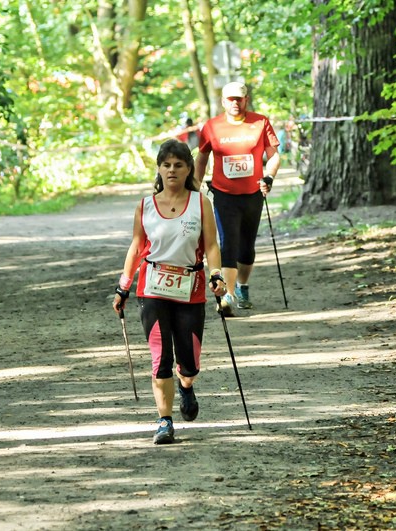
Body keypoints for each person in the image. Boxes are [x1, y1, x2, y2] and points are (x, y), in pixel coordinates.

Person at [113, 139, 227, 445]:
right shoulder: (145, 205)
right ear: (159, 169)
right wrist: (123, 287)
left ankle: (186, 384)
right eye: (166, 165)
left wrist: (217, 274)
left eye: (178, 165)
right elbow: (137, 247)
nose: (172, 170)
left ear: (189, 168)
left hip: (190, 289)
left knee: (189, 363)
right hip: (151, 288)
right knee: (159, 358)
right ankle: (164, 421)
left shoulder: (200, 202)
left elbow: (212, 245)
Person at [194, 81, 280, 316]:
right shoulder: (212, 127)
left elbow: (273, 156)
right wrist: (194, 184)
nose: (234, 103)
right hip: (223, 194)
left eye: (238, 99)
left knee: (247, 248)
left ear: (246, 100)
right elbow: (201, 158)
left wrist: (269, 177)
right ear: (223, 101)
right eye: (230, 99)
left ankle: (242, 286)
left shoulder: (260, 122)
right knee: (228, 242)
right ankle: (227, 296)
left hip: (253, 194)